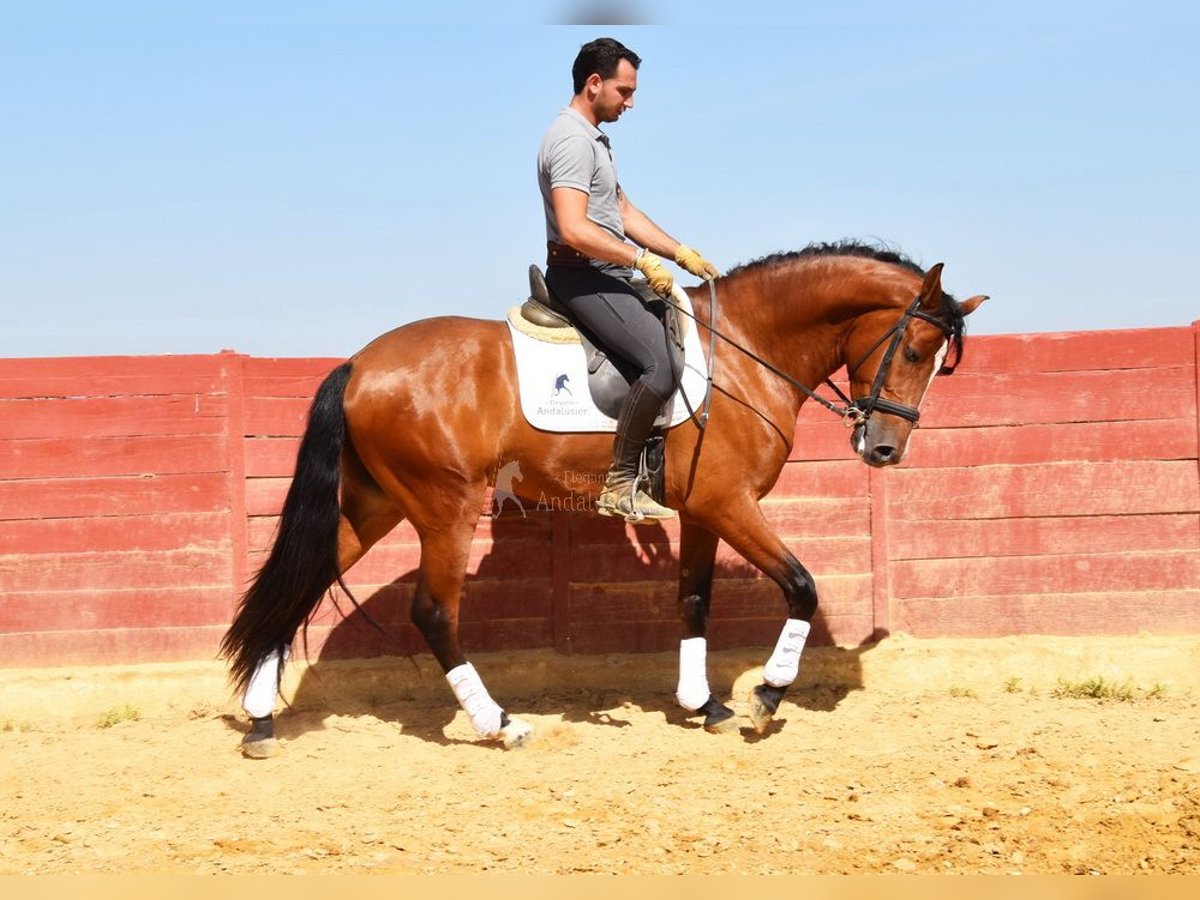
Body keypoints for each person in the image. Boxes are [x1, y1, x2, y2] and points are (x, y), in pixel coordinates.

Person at [537, 36, 720, 523]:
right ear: (594, 84)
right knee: (660, 365)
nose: (631, 102)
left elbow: (620, 211)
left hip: (606, 269)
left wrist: (679, 252)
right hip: (585, 275)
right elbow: (575, 227)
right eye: (624, 90)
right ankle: (619, 484)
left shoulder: (594, 139)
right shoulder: (573, 140)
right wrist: (640, 261)